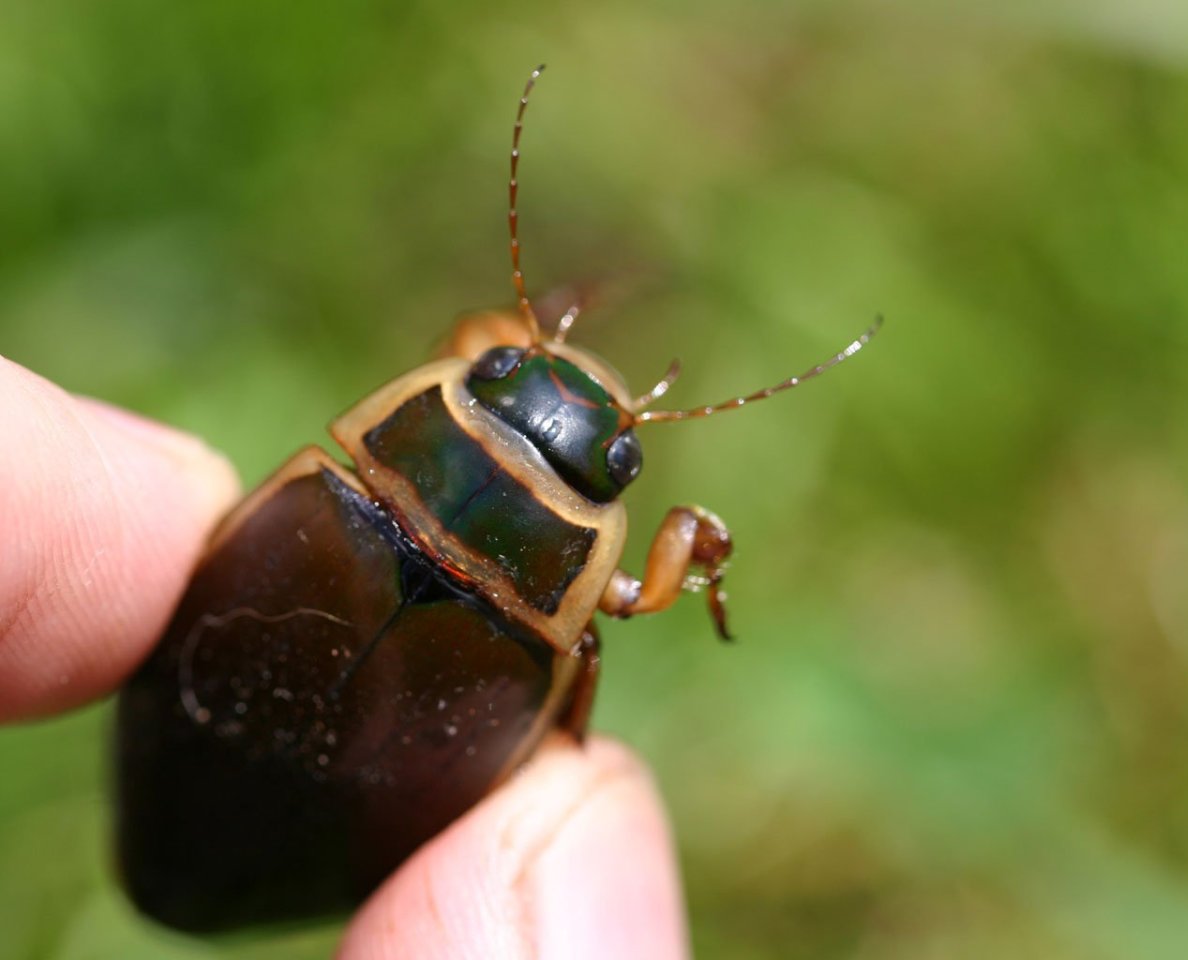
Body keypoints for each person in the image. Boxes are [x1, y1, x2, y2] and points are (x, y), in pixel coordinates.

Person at [0, 356, 689, 959]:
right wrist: (696, 542)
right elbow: (636, 602)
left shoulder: (314, 492)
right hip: (319, 851)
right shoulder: (556, 638)